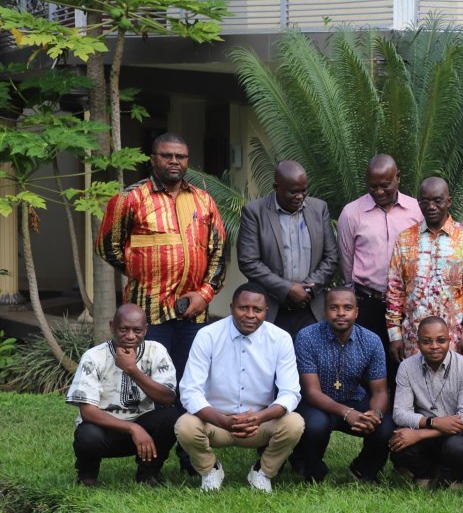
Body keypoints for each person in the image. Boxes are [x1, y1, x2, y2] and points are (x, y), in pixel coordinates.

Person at [97, 132, 227, 474]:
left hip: (193, 315)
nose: (174, 162)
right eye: (167, 155)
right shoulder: (130, 199)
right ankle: (150, 462)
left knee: (191, 384)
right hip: (148, 314)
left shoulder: (203, 201)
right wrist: (144, 272)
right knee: (152, 387)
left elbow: (218, 255)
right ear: (152, 158)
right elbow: (108, 247)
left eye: (181, 156)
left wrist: (204, 294)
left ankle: (192, 458)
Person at [175, 283, 304, 492]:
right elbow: (190, 391)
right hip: (215, 421)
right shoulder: (208, 335)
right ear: (231, 307)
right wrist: (224, 421)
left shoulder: (280, 339)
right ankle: (210, 470)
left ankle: (263, 472)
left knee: (294, 423)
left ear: (266, 312)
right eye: (243, 308)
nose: (250, 315)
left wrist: (259, 418)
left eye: (257, 310)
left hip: (259, 422)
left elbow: (290, 393)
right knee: (185, 425)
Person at [65, 304, 182, 487]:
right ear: (112, 327)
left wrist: (132, 369)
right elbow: (87, 412)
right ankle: (87, 476)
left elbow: (168, 398)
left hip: (143, 427)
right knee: (87, 435)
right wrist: (132, 429)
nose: (130, 336)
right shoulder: (94, 357)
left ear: (146, 330)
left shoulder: (156, 351)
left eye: (137, 330)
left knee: (172, 417)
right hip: (104, 430)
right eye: (124, 329)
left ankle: (148, 473)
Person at [293, 285, 394, 483]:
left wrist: (375, 415)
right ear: (325, 311)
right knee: (315, 425)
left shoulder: (372, 341)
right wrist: (347, 413)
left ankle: (363, 470)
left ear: (356, 312)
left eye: (347, 308)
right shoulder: (307, 337)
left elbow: (380, 391)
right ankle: (312, 470)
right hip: (317, 403)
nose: (341, 313)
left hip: (353, 397)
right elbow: (311, 392)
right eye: (334, 307)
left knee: (385, 426)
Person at [337, 154, 422, 387]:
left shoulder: (417, 210)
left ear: (398, 178)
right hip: (368, 303)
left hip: (407, 305)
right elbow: (346, 260)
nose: (379, 191)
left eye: (386, 185)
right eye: (373, 186)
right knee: (366, 366)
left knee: (405, 366)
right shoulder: (351, 213)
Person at [385, 176, 463, 362]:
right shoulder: (405, 240)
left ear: (449, 201)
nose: (431, 207)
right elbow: (395, 290)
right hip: (413, 342)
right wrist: (395, 335)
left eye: (437, 201)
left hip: (455, 341)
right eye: (425, 201)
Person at [236, 160, 339, 338]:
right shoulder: (254, 212)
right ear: (277, 187)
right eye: (293, 191)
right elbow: (248, 261)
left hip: (311, 309)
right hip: (272, 309)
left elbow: (331, 257)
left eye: (303, 190)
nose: (300, 196)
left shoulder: (319, 208)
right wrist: (288, 289)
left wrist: (307, 290)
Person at [391, 316, 463, 489]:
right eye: (426, 341)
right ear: (417, 343)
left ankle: (457, 478)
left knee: (457, 447)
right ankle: (425, 474)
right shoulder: (407, 367)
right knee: (399, 439)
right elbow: (400, 413)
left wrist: (419, 434)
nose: (434, 346)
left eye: (441, 340)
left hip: (457, 432)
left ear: (449, 340)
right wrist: (432, 423)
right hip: (425, 424)